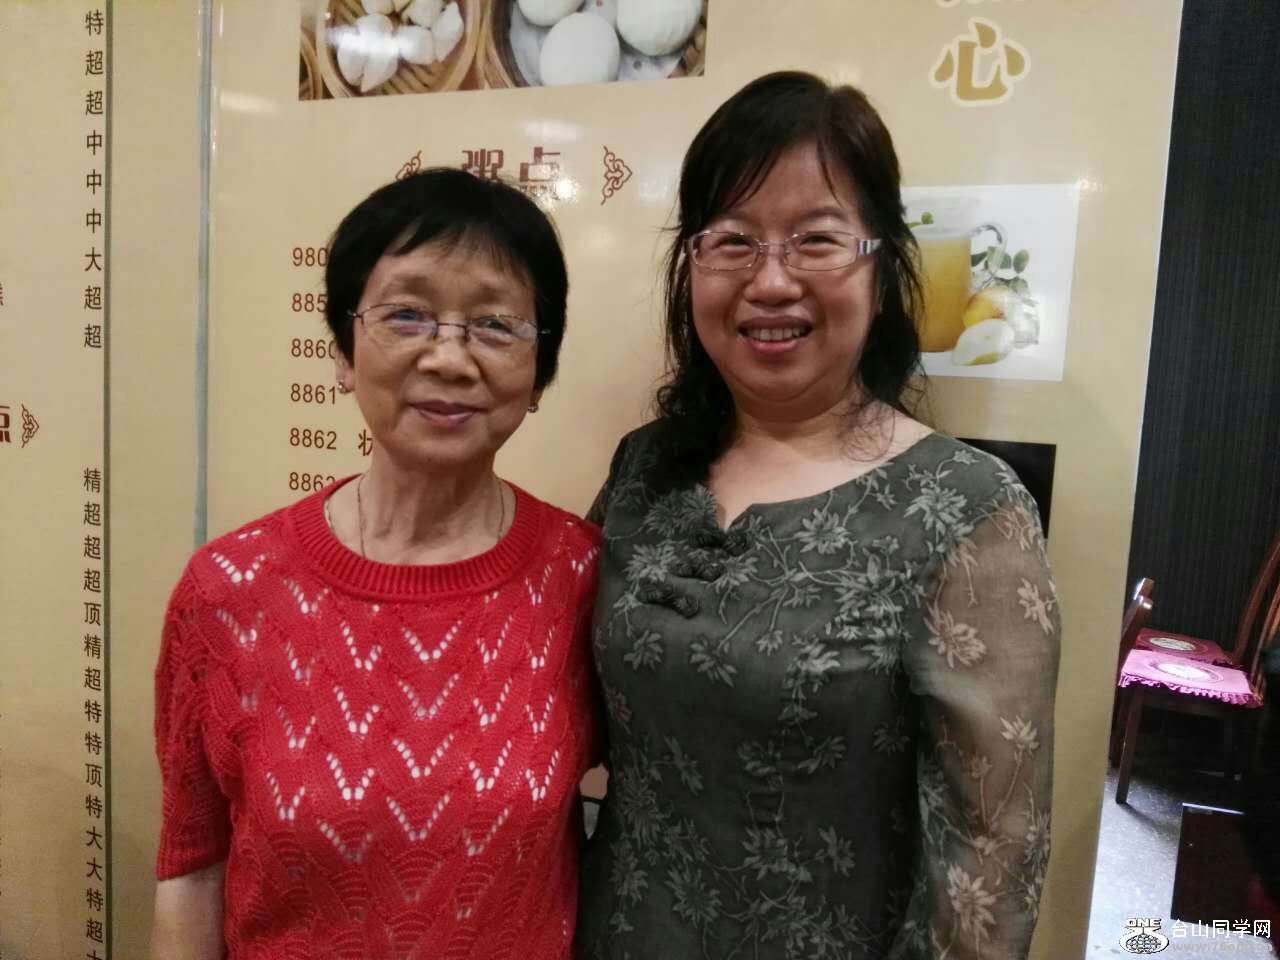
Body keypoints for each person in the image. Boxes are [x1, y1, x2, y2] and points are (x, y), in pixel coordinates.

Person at [577, 71, 1061, 960]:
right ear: (691, 265)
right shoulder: (644, 468)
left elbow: (990, 861)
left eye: (817, 240)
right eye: (732, 240)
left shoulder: (968, 510)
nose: (771, 281)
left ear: (882, 266)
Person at [151, 168, 601, 960]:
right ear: (343, 351)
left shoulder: (584, 579)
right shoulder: (229, 590)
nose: (450, 358)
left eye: (495, 324)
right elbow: (193, 868)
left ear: (540, 367)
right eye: (407, 315)